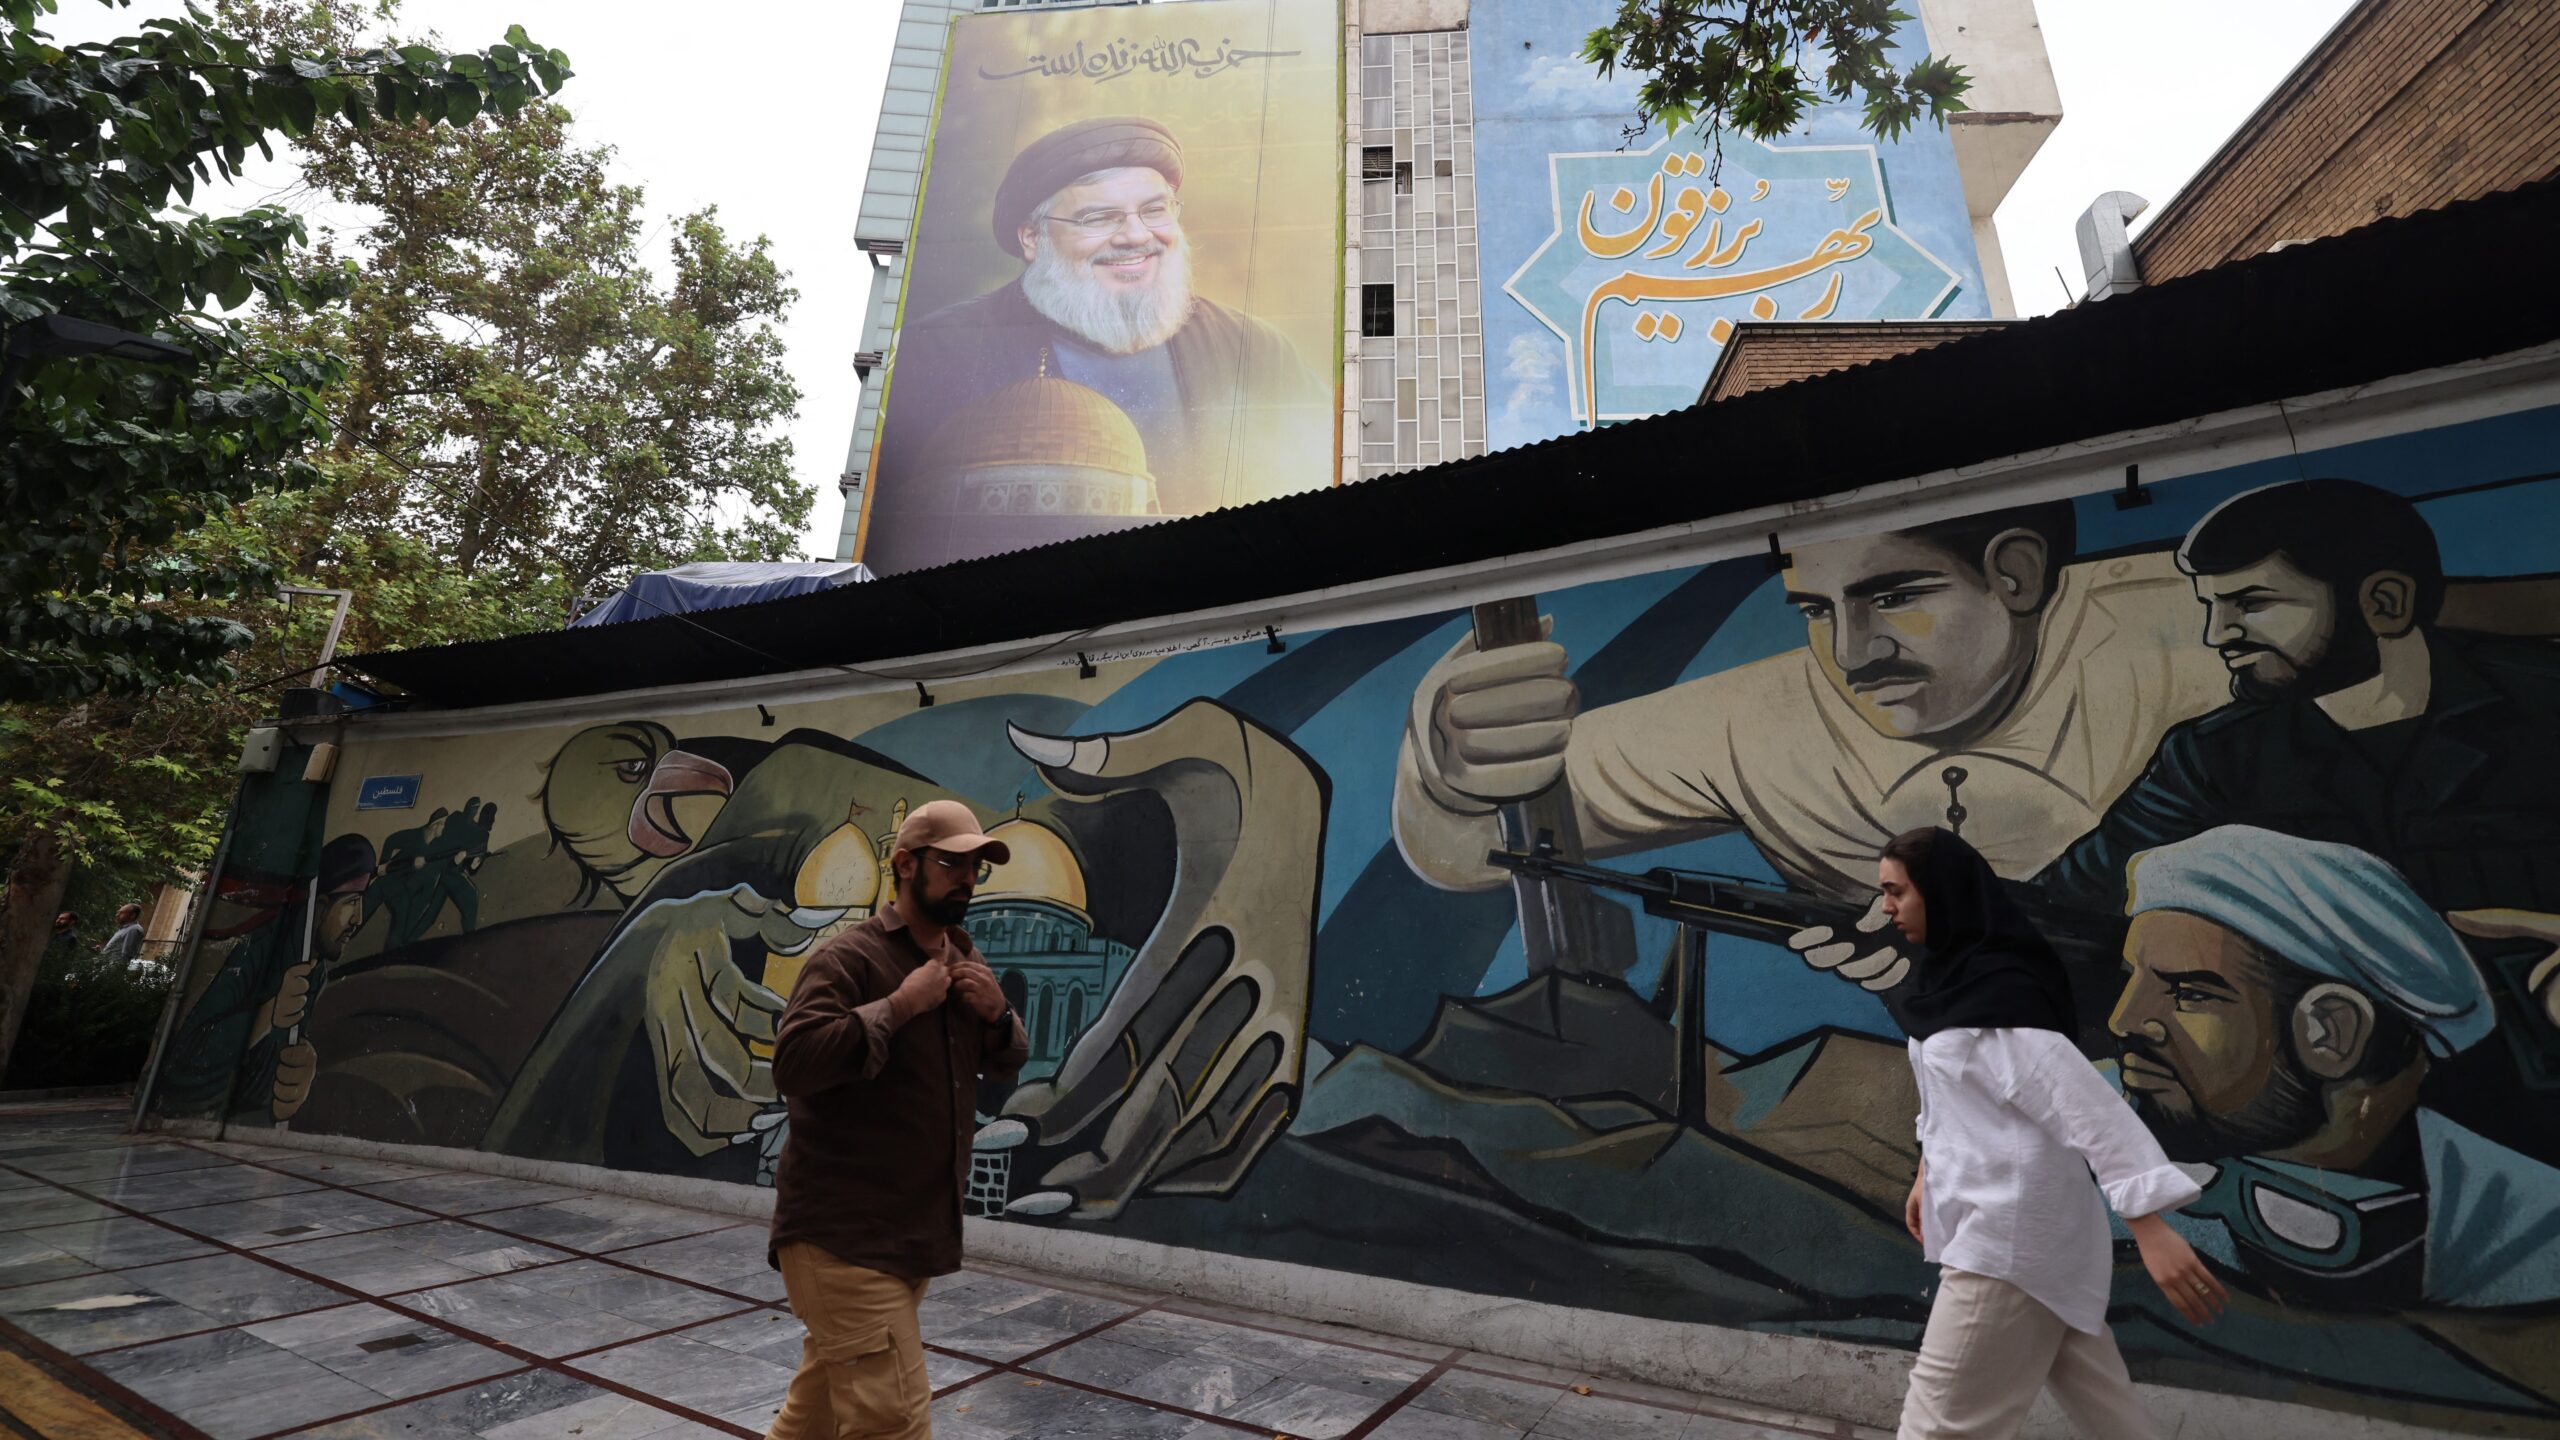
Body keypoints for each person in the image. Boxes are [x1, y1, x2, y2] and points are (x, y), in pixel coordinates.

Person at [2109, 825, 2560, 1306]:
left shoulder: (2531, 1235)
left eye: (2189, 993)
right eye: (2131, 981)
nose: (2123, 1021)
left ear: (2331, 1032)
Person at [1878, 825, 2223, 1440]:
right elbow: (1957, 1099)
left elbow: (2088, 1108)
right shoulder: (1946, 985)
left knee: (1937, 1428)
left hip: (2005, 1242)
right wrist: (1927, 1172)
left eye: (1898, 891)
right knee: (2111, 1418)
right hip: (2029, 1239)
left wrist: (2149, 1225)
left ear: (1942, 893)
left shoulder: (2000, 1004)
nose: (1886, 907)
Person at [867, 115, 1321, 572]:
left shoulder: (1256, 352)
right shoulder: (939, 350)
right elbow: (893, 530)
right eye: (1099, 217)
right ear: (1032, 237)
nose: (1136, 236)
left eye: (1155, 210)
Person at [765, 799, 1030, 1440]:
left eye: (976, 868)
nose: (966, 879)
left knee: (815, 1420)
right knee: (896, 1422)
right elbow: (794, 1062)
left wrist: (998, 1015)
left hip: (907, 1237)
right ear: (906, 865)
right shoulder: (849, 960)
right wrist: (899, 1006)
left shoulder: (965, 958)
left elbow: (1007, 1061)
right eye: (951, 864)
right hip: (844, 1236)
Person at [98, 904, 146, 968]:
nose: (117, 915)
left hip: (111, 971)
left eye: (121, 913)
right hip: (105, 968)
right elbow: (115, 952)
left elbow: (126, 956)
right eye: (118, 912)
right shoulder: (123, 930)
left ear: (132, 915)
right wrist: (99, 952)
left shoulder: (134, 929)